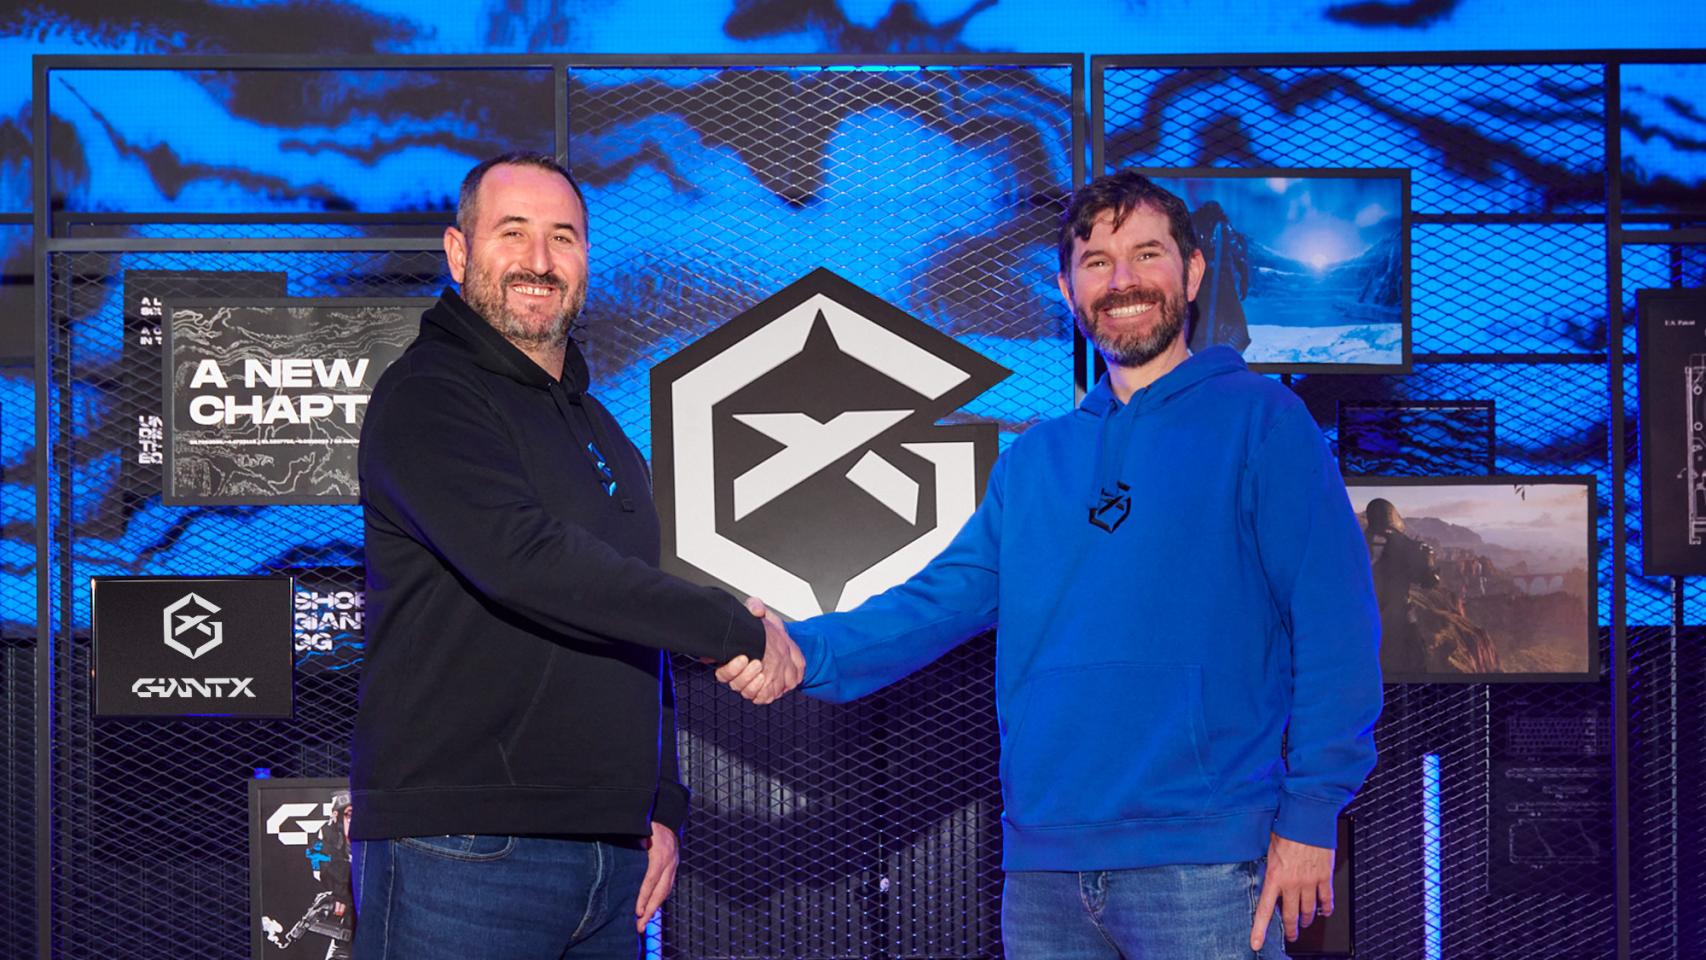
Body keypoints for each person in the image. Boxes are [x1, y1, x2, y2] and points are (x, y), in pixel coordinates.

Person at [722, 169, 1383, 958]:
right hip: (1043, 875)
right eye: (1097, 262)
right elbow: (937, 602)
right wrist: (804, 650)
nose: (1123, 280)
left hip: (1205, 863)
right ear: (1068, 290)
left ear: (1193, 271)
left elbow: (1337, 626)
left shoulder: (1264, 422)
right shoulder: (1035, 460)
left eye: (1147, 254)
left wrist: (1311, 814)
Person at [349, 151, 801, 960]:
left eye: (562, 237)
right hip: (463, 851)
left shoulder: (602, 430)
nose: (539, 260)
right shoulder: (428, 395)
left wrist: (659, 806)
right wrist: (729, 626)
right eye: (512, 232)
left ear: (586, 258)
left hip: (611, 860)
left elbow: (631, 618)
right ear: (458, 251)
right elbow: (526, 561)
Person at [1364, 497, 1440, 677]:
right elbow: (1429, 581)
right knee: (1415, 668)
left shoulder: (1358, 542)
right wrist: (1429, 560)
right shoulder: (1405, 545)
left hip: (1365, 620)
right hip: (1400, 622)